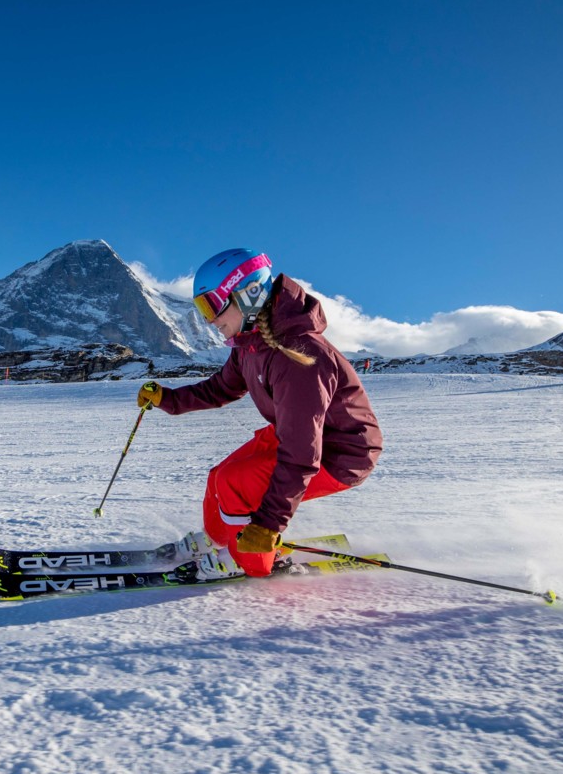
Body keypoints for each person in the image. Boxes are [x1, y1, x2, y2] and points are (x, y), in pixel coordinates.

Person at [137, 248, 382, 579]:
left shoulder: (299, 357)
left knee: (238, 484)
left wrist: (269, 524)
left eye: (212, 306)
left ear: (249, 294)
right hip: (299, 435)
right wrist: (167, 399)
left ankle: (248, 559)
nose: (210, 320)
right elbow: (220, 388)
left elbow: (301, 456)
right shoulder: (250, 345)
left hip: (342, 453)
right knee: (219, 477)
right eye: (202, 309)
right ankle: (218, 540)